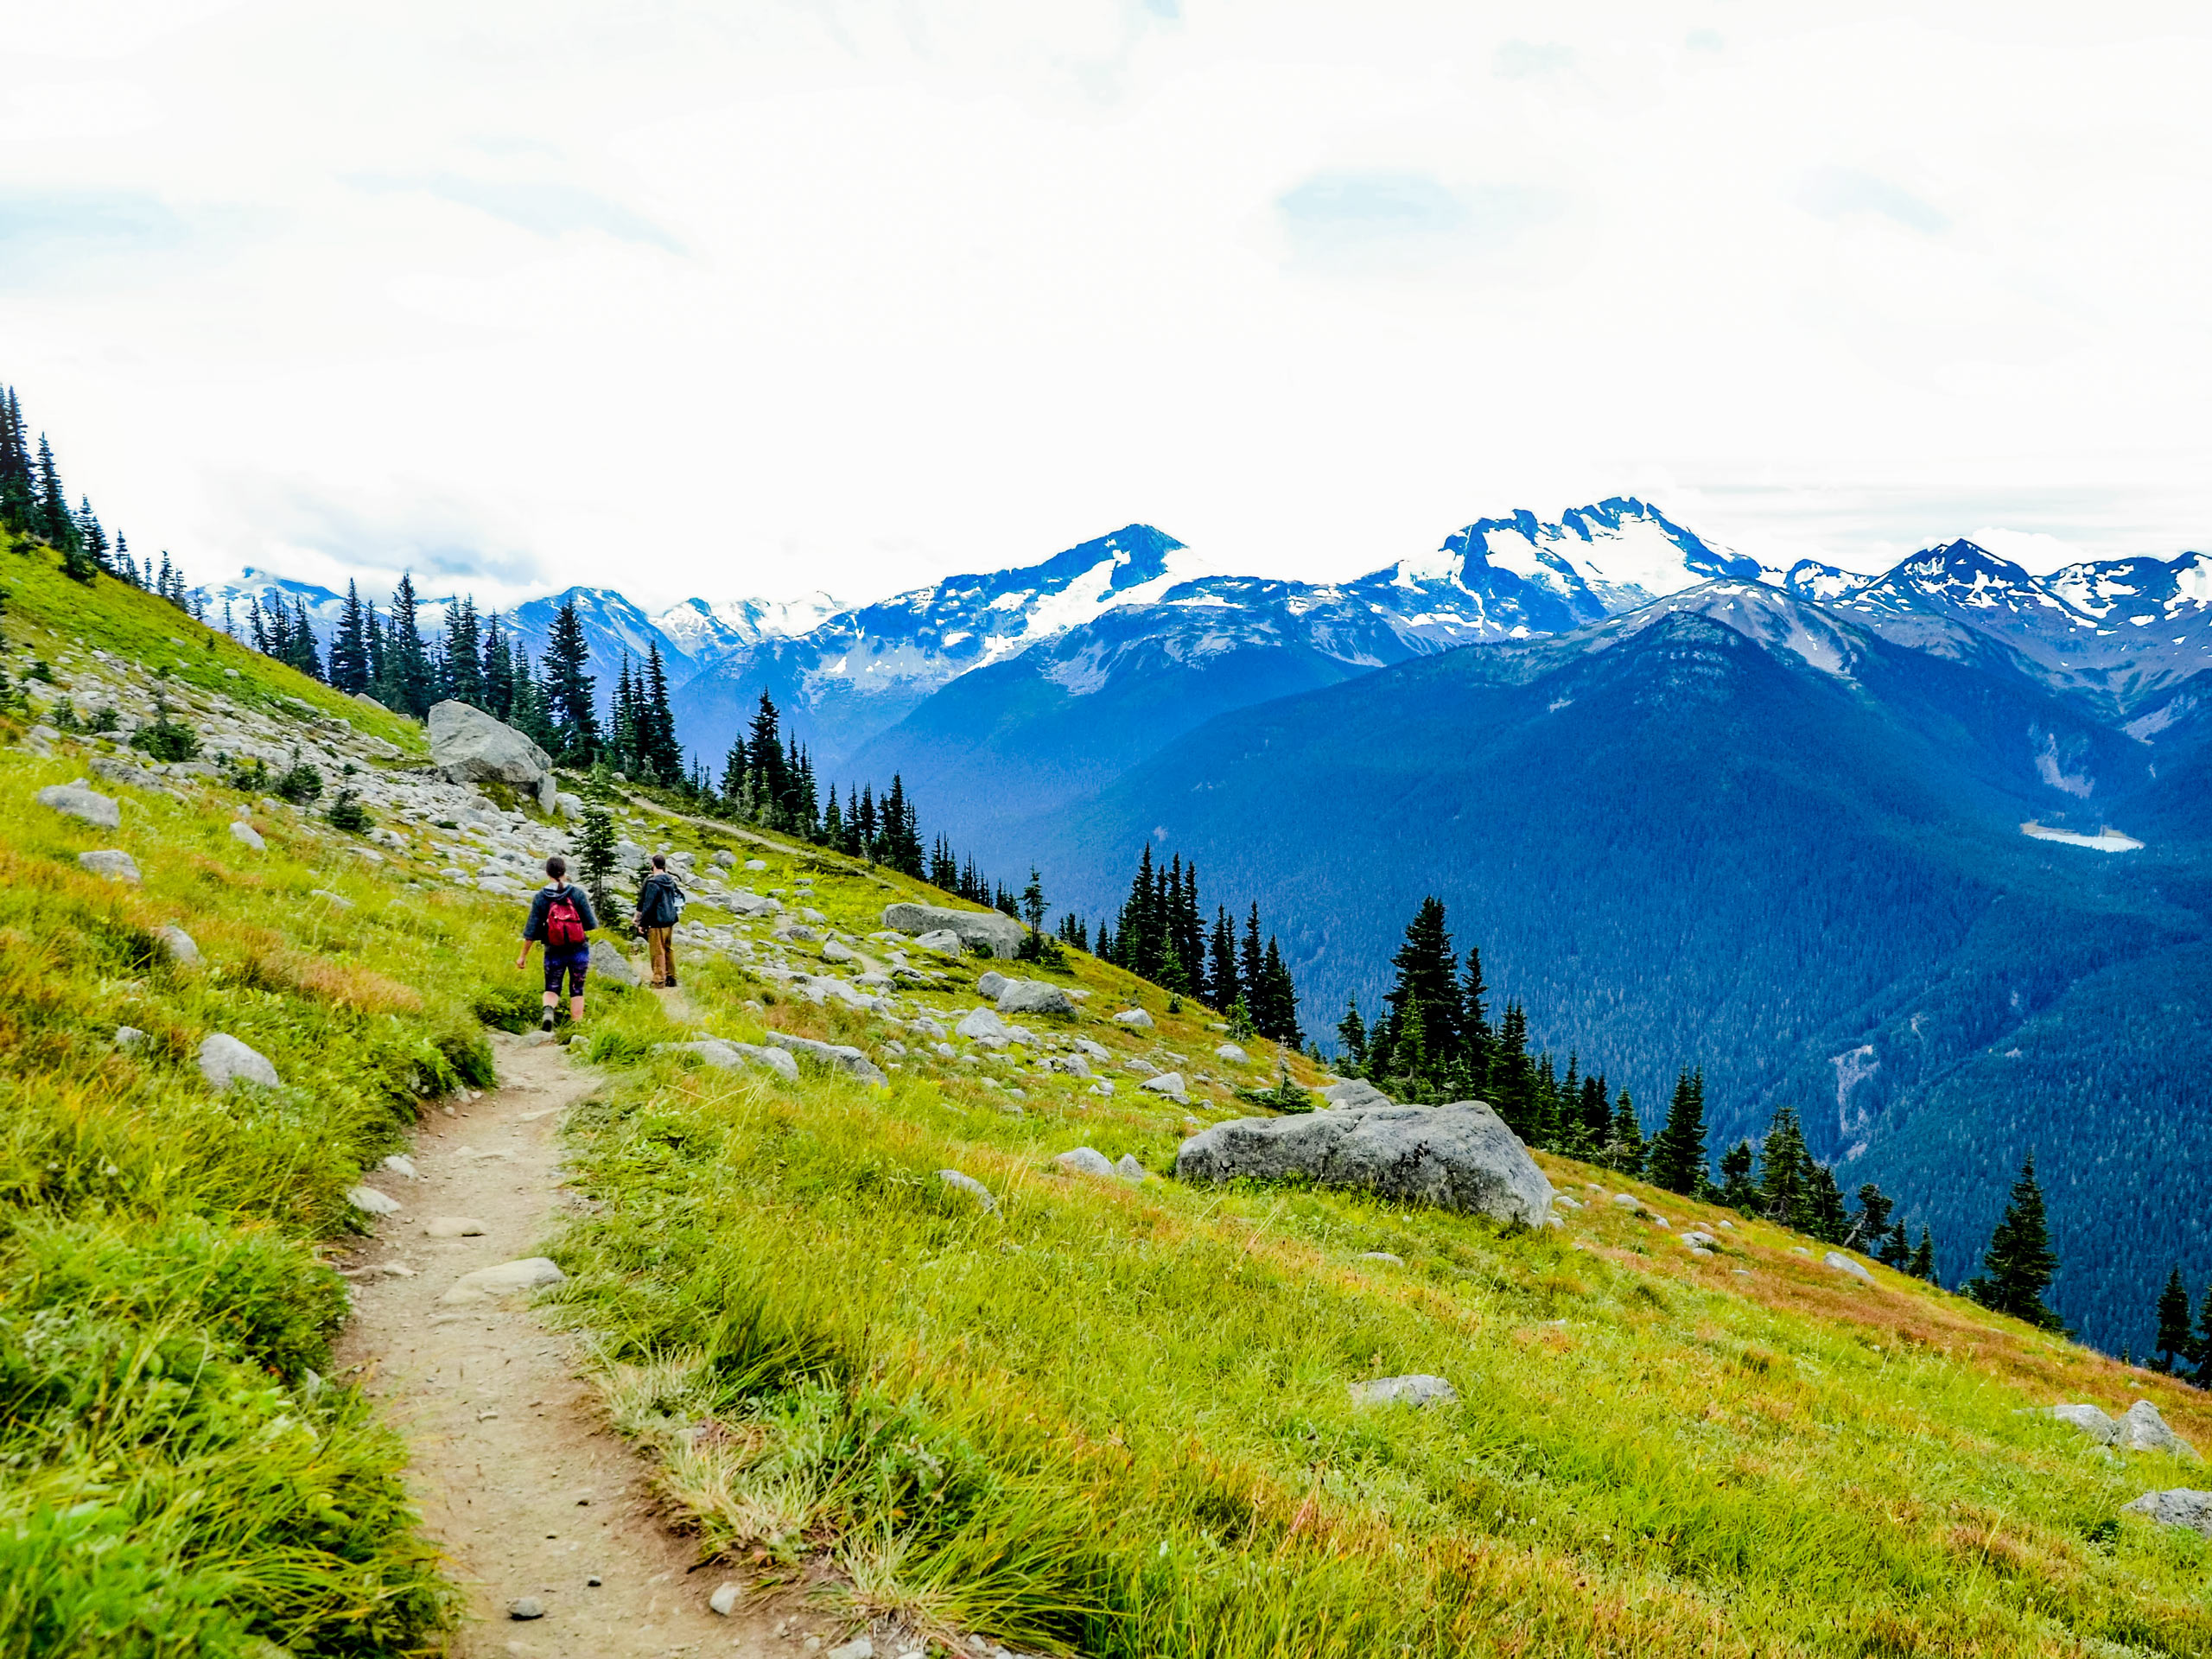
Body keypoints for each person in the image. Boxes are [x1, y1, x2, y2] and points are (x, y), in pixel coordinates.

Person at [517, 855, 598, 1032]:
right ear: (564, 871)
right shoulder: (577, 894)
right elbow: (591, 924)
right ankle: (576, 1027)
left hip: (553, 949)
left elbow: (531, 931)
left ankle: (548, 1011)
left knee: (552, 986)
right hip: (579, 949)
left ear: (547, 873)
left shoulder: (541, 897)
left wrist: (522, 956)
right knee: (577, 988)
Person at [633, 852, 684, 988]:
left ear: (653, 864)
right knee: (668, 949)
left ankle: (659, 980)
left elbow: (648, 904)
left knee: (657, 951)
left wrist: (642, 923)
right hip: (670, 919)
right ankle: (671, 978)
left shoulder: (652, 883)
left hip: (657, 921)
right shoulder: (669, 880)